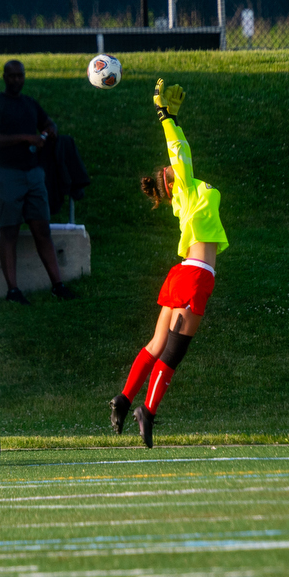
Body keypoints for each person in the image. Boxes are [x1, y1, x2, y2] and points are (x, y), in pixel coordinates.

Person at [109, 79, 228, 447]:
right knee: (173, 352)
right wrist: (165, 117)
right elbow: (180, 150)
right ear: (174, 182)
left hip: (182, 274)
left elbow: (182, 151)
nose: (179, 167)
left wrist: (173, 118)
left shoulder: (184, 199)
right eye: (174, 171)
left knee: (157, 342)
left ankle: (124, 398)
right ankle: (148, 410)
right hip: (195, 276)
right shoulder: (189, 191)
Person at [0, 59, 77, 304]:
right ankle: (13, 291)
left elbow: (49, 123)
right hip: (7, 173)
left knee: (42, 229)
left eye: (20, 75)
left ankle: (58, 285)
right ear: (5, 77)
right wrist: (25, 138)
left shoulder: (30, 104)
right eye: (12, 76)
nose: (17, 80)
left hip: (33, 174)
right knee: (9, 230)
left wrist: (50, 130)